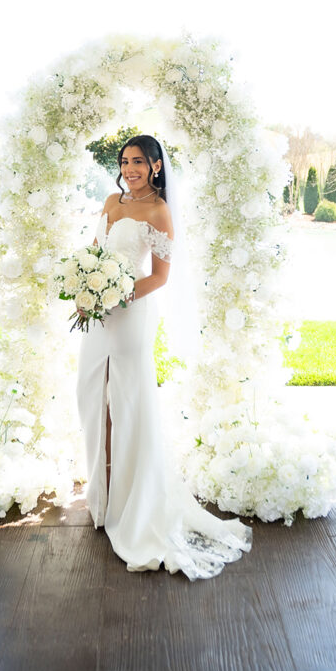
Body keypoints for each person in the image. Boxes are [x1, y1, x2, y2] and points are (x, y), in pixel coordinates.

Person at [75, 134, 253, 580]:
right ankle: (104, 497)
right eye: (125, 161)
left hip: (130, 315)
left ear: (156, 166)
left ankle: (132, 506)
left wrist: (117, 295)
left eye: (138, 161)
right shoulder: (111, 200)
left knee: (128, 403)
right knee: (92, 397)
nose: (130, 167)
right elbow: (95, 252)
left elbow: (159, 277)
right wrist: (85, 288)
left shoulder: (159, 212)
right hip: (97, 315)